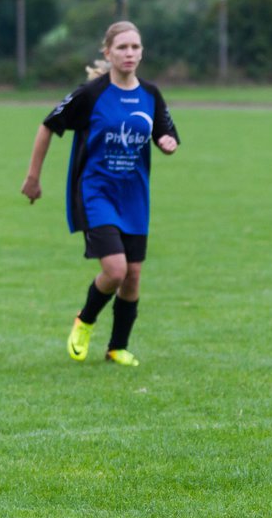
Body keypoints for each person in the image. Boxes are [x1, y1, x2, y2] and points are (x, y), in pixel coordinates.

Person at [21, 21, 180, 366]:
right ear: (107, 52)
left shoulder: (151, 95)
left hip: (135, 196)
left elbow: (167, 133)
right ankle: (86, 320)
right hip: (96, 192)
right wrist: (33, 178)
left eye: (135, 47)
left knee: (134, 275)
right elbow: (48, 126)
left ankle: (117, 347)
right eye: (122, 47)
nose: (129, 53)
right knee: (116, 270)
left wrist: (169, 144)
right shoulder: (91, 94)